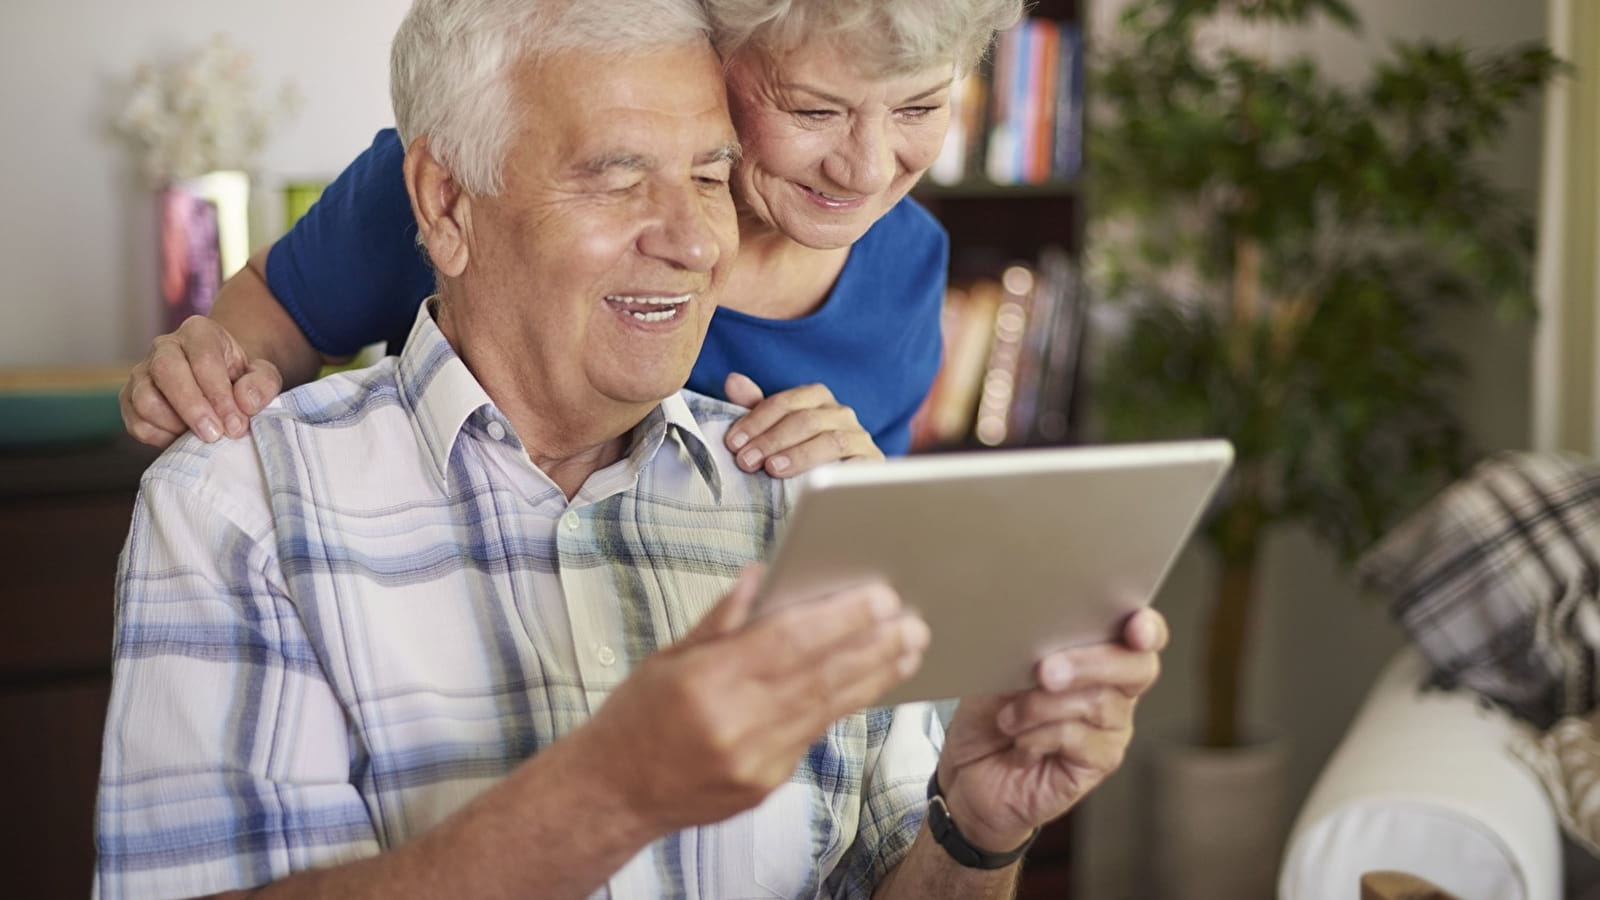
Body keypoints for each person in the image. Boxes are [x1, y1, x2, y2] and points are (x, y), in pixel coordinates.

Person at [96, 0, 1167, 898]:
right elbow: (257, 329)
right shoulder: (246, 509)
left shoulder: (819, 466)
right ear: (444, 203)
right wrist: (212, 377)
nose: (701, 241)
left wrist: (973, 829)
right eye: (617, 177)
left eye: (710, 176)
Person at [119, 0, 1026, 470]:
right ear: (714, 58)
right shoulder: (481, 183)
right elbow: (273, 315)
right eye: (815, 110)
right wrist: (212, 375)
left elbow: (858, 565)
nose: (866, 170)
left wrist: (859, 496)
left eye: (920, 107)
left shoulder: (910, 265)